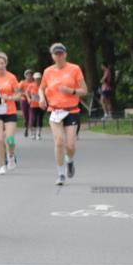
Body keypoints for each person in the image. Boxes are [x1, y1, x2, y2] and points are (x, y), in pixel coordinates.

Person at [39, 43, 87, 186]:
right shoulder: (48, 71)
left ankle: (70, 161)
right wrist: (41, 97)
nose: (58, 56)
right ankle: (60, 174)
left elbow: (84, 90)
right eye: (56, 54)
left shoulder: (75, 69)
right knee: (59, 141)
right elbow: (41, 88)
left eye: (61, 53)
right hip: (54, 110)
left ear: (65, 54)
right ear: (52, 56)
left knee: (70, 145)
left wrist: (71, 91)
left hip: (71, 110)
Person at [0, 52, 22, 175]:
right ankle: (2, 165)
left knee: (10, 139)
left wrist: (9, 97)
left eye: (2, 63)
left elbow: (19, 95)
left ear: (6, 64)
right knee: (0, 138)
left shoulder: (11, 77)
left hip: (10, 111)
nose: (0, 66)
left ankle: (11, 156)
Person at [28, 72, 44, 139]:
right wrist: (29, 98)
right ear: (34, 79)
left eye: (39, 78)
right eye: (36, 78)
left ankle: (39, 134)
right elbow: (27, 92)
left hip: (41, 105)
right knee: (33, 119)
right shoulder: (31, 85)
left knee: (40, 119)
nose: (37, 80)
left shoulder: (43, 85)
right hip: (33, 105)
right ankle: (33, 133)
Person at [20, 69, 33, 137]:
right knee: (25, 117)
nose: (29, 76)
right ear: (25, 75)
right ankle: (26, 129)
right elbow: (18, 92)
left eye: (30, 75)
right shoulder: (22, 83)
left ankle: (31, 130)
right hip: (24, 100)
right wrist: (25, 94)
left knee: (31, 116)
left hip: (32, 101)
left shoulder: (33, 83)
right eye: (27, 75)